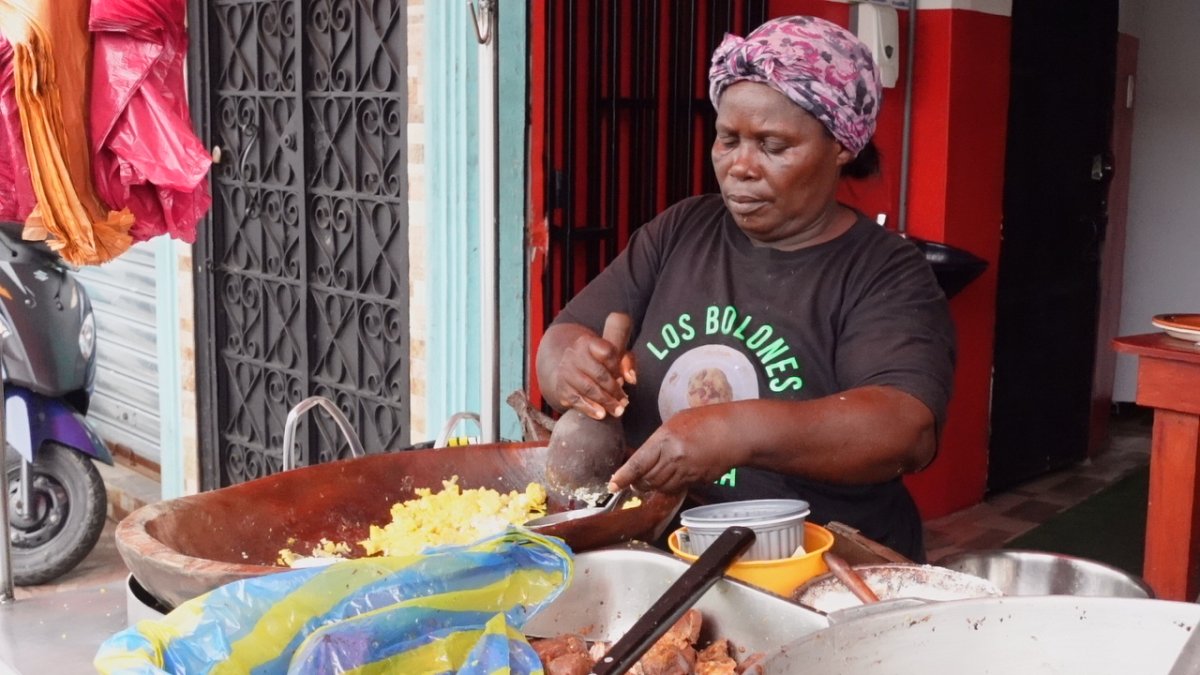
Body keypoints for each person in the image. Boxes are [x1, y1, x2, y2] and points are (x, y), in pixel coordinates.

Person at [534, 15, 955, 562]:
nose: (740, 167)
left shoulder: (884, 271)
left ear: (841, 146)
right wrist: (571, 368)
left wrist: (737, 431)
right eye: (728, 139)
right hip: (654, 550)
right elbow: (563, 337)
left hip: (806, 561)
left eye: (773, 145)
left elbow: (905, 430)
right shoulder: (682, 229)